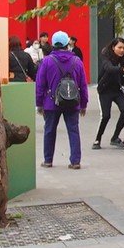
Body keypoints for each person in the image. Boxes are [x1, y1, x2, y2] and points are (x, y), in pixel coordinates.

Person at [34, 30, 87, 169]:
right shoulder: (77, 61)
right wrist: (84, 104)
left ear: (53, 43)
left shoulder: (47, 61)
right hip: (73, 102)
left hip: (51, 102)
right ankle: (75, 161)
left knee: (49, 130)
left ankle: (48, 160)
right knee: (73, 130)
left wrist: (39, 103)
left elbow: (40, 84)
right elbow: (83, 84)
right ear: (66, 43)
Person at [93, 38, 124, 148]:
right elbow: (109, 68)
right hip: (105, 90)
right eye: (119, 48)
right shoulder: (106, 56)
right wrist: (123, 69)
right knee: (106, 116)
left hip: (118, 90)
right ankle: (97, 139)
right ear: (113, 47)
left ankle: (115, 137)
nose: (122, 50)